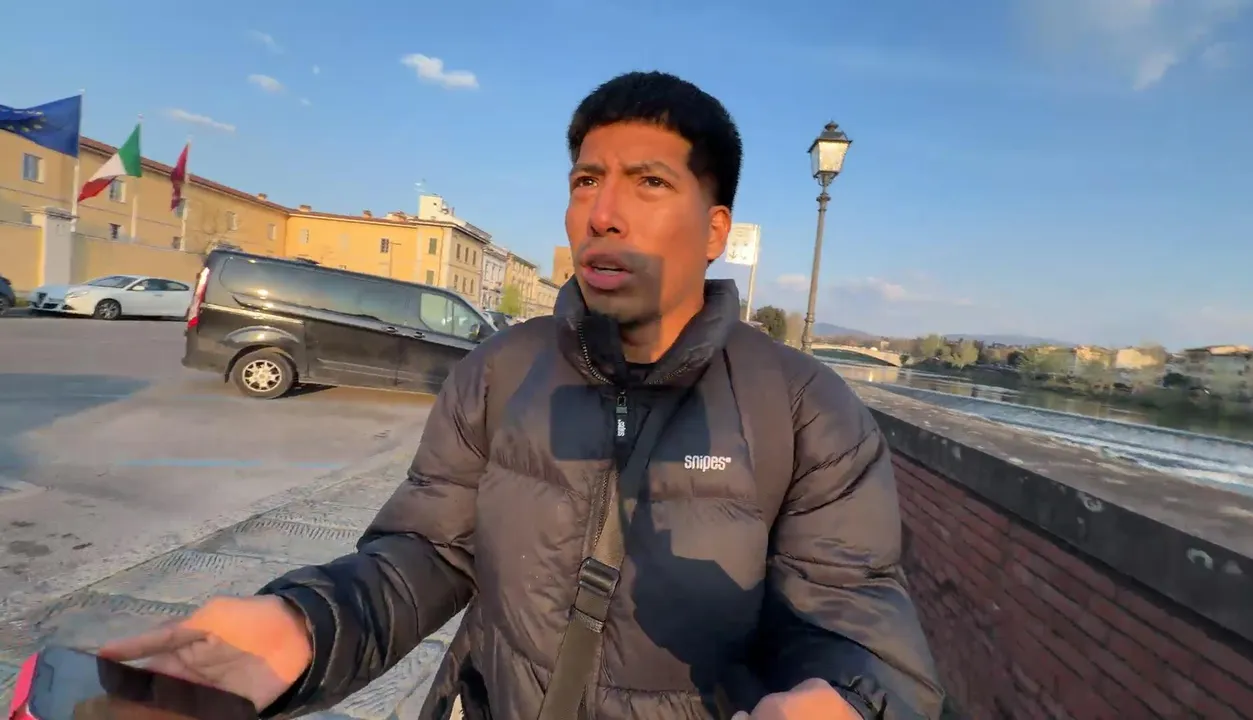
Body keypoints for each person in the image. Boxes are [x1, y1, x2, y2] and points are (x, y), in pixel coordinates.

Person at [101, 71, 946, 720]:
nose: (602, 213)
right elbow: (427, 551)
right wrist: (307, 624)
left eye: (648, 183)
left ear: (716, 229)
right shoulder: (501, 369)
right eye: (586, 180)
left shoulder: (805, 410)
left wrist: (849, 699)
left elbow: (854, 618)